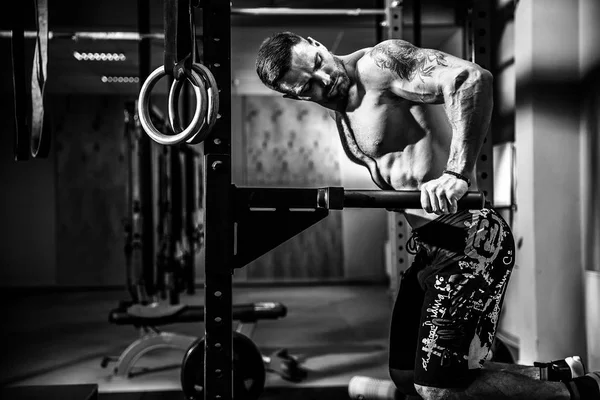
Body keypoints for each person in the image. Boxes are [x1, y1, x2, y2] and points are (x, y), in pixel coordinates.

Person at [255, 32, 600, 400]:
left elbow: (469, 79)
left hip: (468, 241)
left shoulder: (378, 65)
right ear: (292, 96)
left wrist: (456, 173)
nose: (324, 81)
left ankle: (581, 391)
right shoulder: (341, 108)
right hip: (430, 247)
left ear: (317, 44)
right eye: (307, 86)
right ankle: (556, 374)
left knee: (435, 389)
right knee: (405, 374)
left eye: (318, 65)